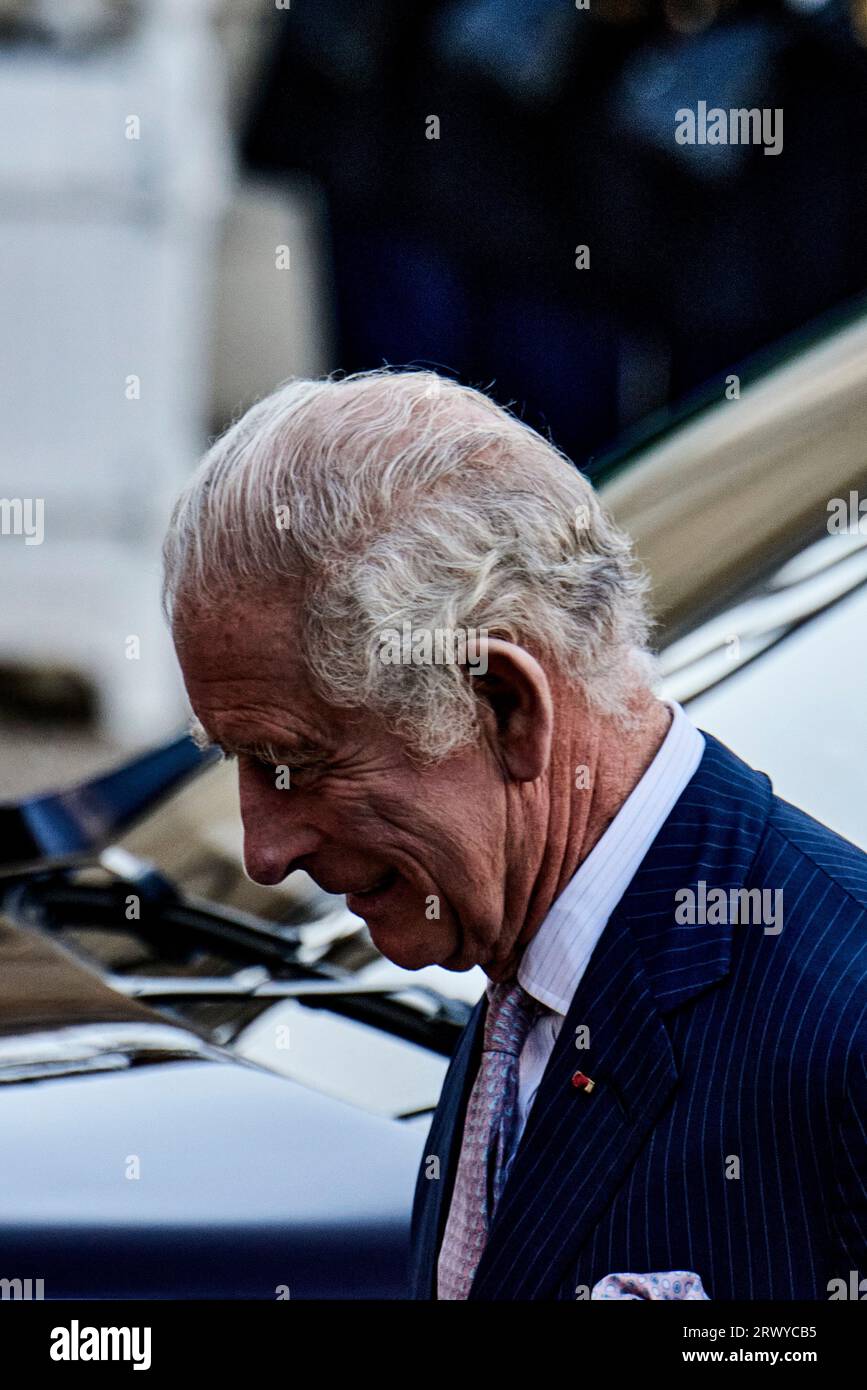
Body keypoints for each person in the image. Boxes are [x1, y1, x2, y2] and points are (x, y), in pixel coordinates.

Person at [163, 369, 867, 1301]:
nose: (263, 851)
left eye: (295, 762)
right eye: (235, 762)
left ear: (502, 706)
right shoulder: (517, 964)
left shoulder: (842, 1033)